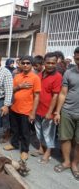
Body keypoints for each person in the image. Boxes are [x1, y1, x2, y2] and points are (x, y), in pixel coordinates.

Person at [4, 56, 41, 161]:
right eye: (23, 63)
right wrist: (19, 86)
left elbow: (37, 96)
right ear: (20, 64)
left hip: (26, 110)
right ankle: (14, 144)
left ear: (31, 65)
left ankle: (25, 151)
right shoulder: (17, 76)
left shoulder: (35, 78)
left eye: (28, 63)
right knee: (15, 129)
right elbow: (12, 90)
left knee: (25, 132)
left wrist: (33, 113)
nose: (25, 65)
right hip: (15, 108)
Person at [53, 47, 79, 181]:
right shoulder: (69, 73)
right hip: (68, 111)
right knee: (65, 138)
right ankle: (67, 161)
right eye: (77, 58)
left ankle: (75, 164)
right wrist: (57, 111)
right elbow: (63, 94)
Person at [32, 52, 62, 163]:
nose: (50, 65)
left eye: (53, 63)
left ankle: (48, 153)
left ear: (56, 63)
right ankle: (41, 149)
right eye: (48, 62)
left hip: (48, 111)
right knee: (39, 131)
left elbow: (55, 96)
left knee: (48, 133)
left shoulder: (57, 77)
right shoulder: (39, 75)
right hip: (38, 109)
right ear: (44, 63)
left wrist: (50, 112)